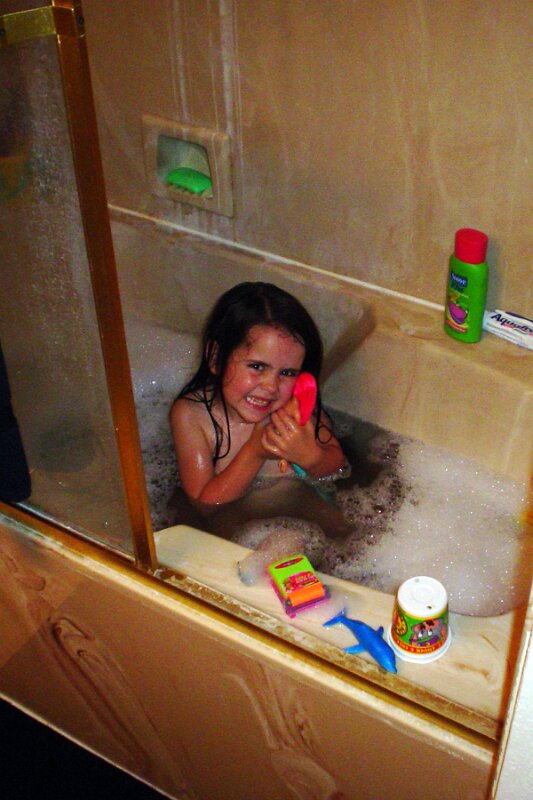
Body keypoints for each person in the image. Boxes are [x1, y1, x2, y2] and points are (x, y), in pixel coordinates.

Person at [170, 281, 350, 538]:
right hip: (232, 519)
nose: (271, 386)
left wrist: (311, 457)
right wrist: (255, 451)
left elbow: (336, 466)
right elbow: (205, 504)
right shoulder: (193, 415)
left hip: (302, 511)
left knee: (344, 530)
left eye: (287, 373)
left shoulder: (297, 411)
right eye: (257, 367)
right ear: (215, 358)